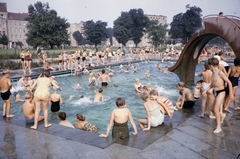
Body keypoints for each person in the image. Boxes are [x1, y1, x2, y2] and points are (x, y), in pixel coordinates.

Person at [203, 57, 234, 133]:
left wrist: (230, 94)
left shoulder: (220, 73)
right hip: (215, 91)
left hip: (221, 92)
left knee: (216, 109)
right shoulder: (213, 73)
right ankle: (221, 115)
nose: (208, 67)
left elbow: (229, 82)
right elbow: (212, 84)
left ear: (212, 65)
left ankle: (218, 127)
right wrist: (206, 90)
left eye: (209, 65)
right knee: (212, 109)